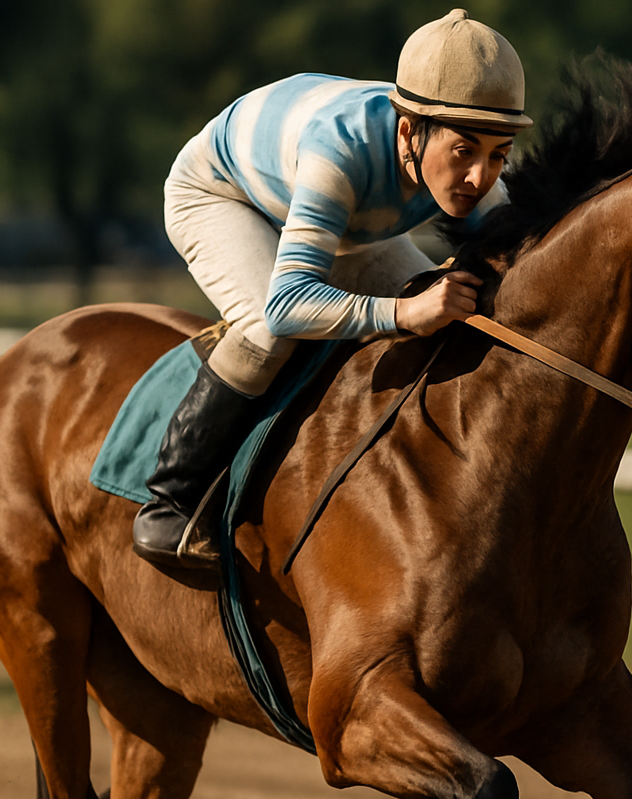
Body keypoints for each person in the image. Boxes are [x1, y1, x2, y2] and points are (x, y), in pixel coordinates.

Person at [133, 8, 533, 568]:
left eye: (498, 155)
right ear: (409, 132)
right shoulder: (341, 148)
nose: (479, 178)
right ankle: (170, 501)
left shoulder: (451, 154)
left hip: (347, 220)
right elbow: (286, 306)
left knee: (447, 310)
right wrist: (404, 313)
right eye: (464, 152)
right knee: (268, 331)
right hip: (222, 194)